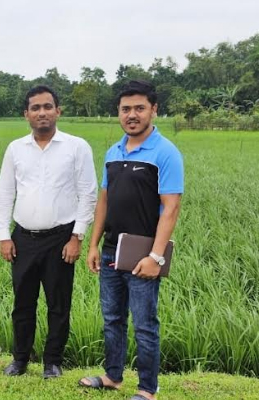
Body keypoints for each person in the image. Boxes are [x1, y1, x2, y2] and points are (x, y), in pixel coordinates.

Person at [79, 80, 183, 400]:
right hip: (111, 251)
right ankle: (113, 377)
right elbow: (104, 201)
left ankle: (147, 389)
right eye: (126, 109)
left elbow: (170, 208)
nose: (132, 115)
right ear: (119, 113)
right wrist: (94, 245)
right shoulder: (113, 151)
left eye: (139, 108)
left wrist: (156, 257)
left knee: (144, 324)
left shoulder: (165, 153)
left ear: (154, 109)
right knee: (112, 319)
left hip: (142, 255)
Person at [0, 85, 97, 378]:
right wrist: (4, 236)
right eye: (36, 108)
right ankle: (20, 360)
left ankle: (52, 362)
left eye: (48, 107)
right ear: (26, 114)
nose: (42, 112)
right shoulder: (16, 149)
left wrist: (77, 237)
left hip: (61, 239)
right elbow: (4, 195)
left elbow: (87, 194)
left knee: (58, 304)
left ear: (58, 111)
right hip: (23, 238)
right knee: (22, 304)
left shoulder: (77, 146)